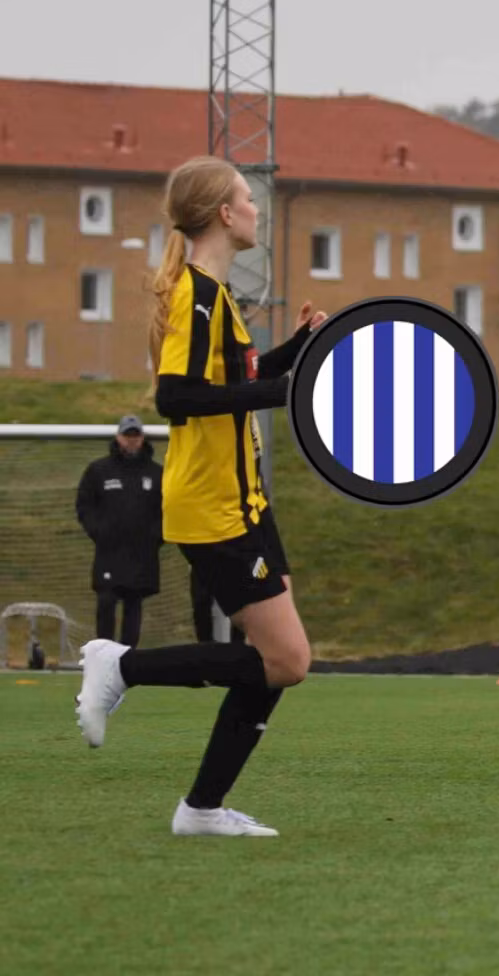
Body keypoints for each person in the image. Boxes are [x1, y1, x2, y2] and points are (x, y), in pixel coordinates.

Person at [72, 155, 325, 837]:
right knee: (286, 661)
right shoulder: (198, 295)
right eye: (248, 198)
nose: (256, 209)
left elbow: (236, 379)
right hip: (212, 505)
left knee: (279, 663)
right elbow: (177, 397)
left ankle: (203, 809)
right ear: (223, 213)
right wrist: (279, 392)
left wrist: (296, 351)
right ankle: (121, 664)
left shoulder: (218, 293)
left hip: (244, 503)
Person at [75, 414, 164, 648]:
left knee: (134, 604)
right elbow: (84, 505)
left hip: (142, 553)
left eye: (136, 435)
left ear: (142, 438)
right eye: (127, 435)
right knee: (106, 601)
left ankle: (128, 658)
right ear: (118, 437)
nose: (131, 440)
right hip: (110, 552)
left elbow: (169, 509)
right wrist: (99, 531)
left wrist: (155, 537)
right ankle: (104, 653)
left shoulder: (157, 473)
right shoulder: (99, 470)